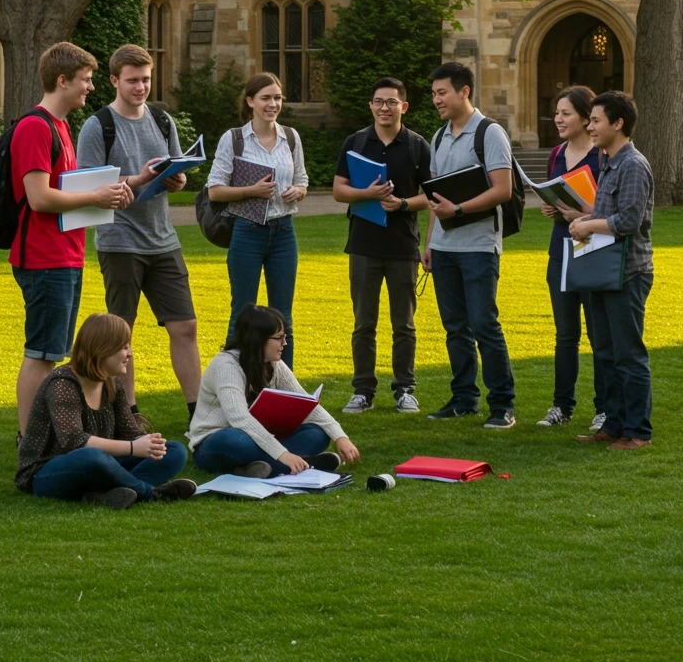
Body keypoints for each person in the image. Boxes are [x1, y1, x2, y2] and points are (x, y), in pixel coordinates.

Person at [11, 42, 130, 435]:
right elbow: (39, 197)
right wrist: (95, 197)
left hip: (66, 255)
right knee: (41, 355)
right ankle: (29, 442)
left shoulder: (60, 126)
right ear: (62, 80)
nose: (90, 88)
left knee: (52, 352)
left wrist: (108, 195)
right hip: (43, 258)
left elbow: (68, 191)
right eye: (85, 80)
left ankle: (40, 436)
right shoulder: (35, 126)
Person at [76, 44, 201, 421]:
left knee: (186, 325)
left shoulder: (163, 121)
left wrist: (176, 179)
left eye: (146, 79)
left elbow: (174, 169)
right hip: (120, 243)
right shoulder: (98, 126)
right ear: (114, 80)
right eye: (132, 80)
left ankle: (199, 412)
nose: (141, 87)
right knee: (121, 336)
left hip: (163, 239)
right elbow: (85, 189)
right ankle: (127, 412)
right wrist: (138, 178)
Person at [15, 313, 197, 508]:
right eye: (124, 347)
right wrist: (134, 448)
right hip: (46, 472)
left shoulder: (112, 382)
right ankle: (150, 493)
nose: (130, 354)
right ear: (103, 349)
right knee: (92, 456)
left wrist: (149, 443)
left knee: (174, 451)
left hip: (102, 463)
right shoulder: (62, 383)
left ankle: (107, 493)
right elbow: (73, 441)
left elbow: (129, 432)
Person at [421, 62, 517, 429]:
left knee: (483, 324)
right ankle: (464, 399)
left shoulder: (490, 133)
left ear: (465, 91)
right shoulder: (439, 136)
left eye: (442, 92)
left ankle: (502, 405)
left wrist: (458, 208)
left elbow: (502, 190)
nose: (436, 100)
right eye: (433, 94)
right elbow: (434, 196)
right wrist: (430, 241)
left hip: (478, 246)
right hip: (444, 249)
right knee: (455, 328)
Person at [332, 78, 432, 414]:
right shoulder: (356, 142)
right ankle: (363, 390)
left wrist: (402, 203)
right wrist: (368, 195)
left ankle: (405, 389)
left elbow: (431, 196)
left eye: (391, 102)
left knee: (403, 323)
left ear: (404, 106)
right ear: (371, 106)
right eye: (378, 101)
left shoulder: (417, 145)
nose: (384, 108)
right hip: (363, 244)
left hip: (404, 245)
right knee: (364, 322)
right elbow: (338, 190)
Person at [569, 91, 655, 450]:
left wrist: (589, 226)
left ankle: (637, 434)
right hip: (603, 271)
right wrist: (585, 218)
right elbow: (610, 213)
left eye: (595, 120)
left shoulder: (633, 164)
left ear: (617, 124)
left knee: (628, 354)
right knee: (606, 353)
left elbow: (630, 220)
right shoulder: (608, 162)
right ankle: (614, 425)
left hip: (628, 272)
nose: (589, 126)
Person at [206, 72, 308, 368]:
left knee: (283, 315)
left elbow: (302, 179)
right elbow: (214, 191)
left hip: (283, 233)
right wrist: (251, 191)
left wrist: (298, 192)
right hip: (247, 233)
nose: (273, 104)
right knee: (242, 312)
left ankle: (283, 388)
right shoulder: (234, 139)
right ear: (250, 101)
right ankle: (232, 384)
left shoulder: (290, 137)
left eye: (277, 98)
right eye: (265, 98)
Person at [190, 304, 360, 477]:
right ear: (258, 339)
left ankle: (256, 468)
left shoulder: (273, 363)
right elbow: (239, 418)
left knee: (318, 433)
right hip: (215, 442)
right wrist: (283, 454)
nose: (284, 343)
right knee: (234, 439)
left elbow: (307, 403)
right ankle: (300, 463)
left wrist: (340, 436)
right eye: (278, 338)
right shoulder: (226, 366)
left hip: (264, 437)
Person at [535, 86, 606, 432]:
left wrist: (579, 213)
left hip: (594, 252)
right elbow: (556, 204)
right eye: (557, 113)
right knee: (565, 335)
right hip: (560, 250)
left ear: (584, 116)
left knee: (598, 333)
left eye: (566, 113)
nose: (559, 119)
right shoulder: (557, 154)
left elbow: (609, 211)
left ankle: (604, 408)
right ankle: (561, 406)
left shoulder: (604, 155)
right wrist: (551, 208)